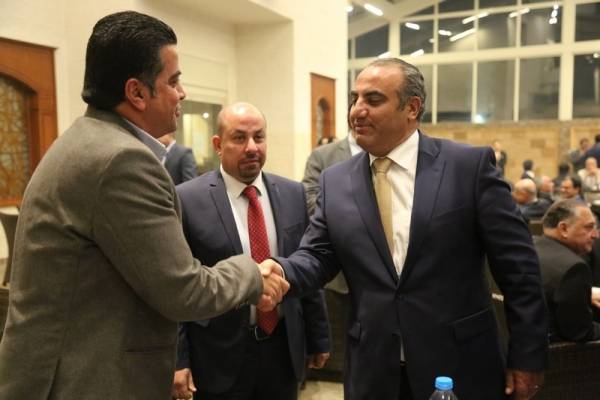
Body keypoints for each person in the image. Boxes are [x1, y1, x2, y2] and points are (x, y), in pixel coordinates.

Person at [0, 12, 287, 400]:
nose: (182, 92)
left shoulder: (88, 140)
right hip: (85, 381)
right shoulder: (121, 161)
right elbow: (182, 290)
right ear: (136, 92)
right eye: (173, 81)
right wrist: (251, 273)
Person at [262, 58, 548, 400]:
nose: (357, 111)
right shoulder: (335, 181)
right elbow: (318, 255)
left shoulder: (467, 167)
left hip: (459, 366)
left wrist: (528, 354)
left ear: (412, 108)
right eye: (354, 99)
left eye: (373, 99)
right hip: (374, 369)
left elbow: (519, 269)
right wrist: (281, 270)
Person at [172, 103, 330, 400]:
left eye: (259, 137)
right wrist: (179, 359)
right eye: (239, 138)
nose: (252, 147)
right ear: (218, 145)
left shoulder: (292, 193)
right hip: (218, 354)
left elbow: (306, 265)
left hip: (282, 349)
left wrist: (318, 336)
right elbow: (178, 285)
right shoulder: (187, 200)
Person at [535, 200, 600, 342]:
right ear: (564, 229)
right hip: (559, 350)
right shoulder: (574, 268)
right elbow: (581, 333)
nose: (595, 235)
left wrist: (585, 294)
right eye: (589, 227)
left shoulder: (532, 246)